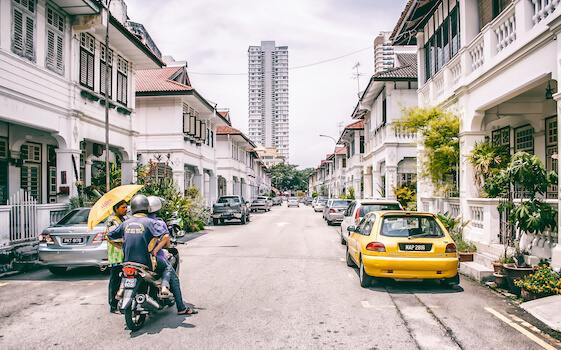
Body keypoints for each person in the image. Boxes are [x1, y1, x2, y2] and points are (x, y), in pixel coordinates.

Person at [108, 194, 194, 315]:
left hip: (127, 261)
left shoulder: (126, 223)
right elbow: (165, 237)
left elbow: (109, 237)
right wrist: (154, 250)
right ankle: (177, 303)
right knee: (168, 268)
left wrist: (122, 247)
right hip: (146, 261)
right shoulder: (150, 222)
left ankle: (122, 289)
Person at [146, 196, 197, 315]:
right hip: (155, 257)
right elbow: (167, 242)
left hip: (137, 258)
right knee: (172, 275)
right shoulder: (158, 222)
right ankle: (181, 307)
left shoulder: (138, 222)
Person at [106, 200, 128, 314]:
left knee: (123, 280)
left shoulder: (122, 220)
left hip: (123, 255)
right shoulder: (113, 222)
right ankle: (113, 306)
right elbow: (112, 237)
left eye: (126, 207)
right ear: (116, 208)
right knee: (115, 280)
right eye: (123, 207)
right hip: (116, 256)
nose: (125, 209)